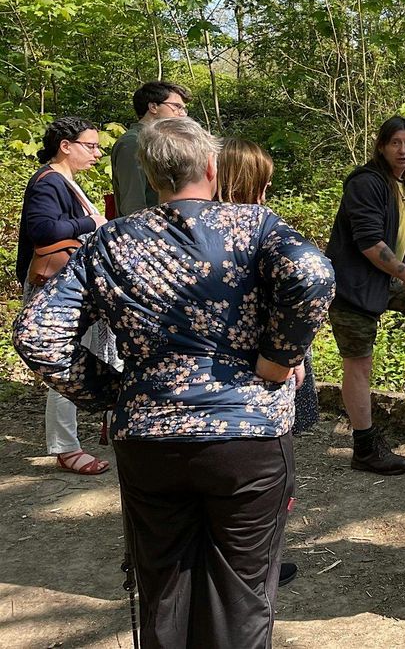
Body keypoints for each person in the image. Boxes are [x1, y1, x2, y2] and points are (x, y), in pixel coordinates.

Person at [13, 117, 334, 649]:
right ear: (212, 167)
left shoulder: (110, 240)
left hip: (149, 439)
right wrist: (279, 359)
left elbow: (38, 336)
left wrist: (114, 393)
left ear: (149, 171)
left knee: (163, 591)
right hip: (247, 438)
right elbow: (315, 274)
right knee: (242, 598)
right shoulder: (254, 226)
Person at [325, 116, 405, 476]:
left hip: (386, 282)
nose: (403, 150)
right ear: (381, 147)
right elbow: (369, 243)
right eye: (395, 143)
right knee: (359, 364)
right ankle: (365, 447)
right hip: (352, 287)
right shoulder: (366, 184)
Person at [216, 137, 312, 589]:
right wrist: (289, 355)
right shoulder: (265, 231)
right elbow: (299, 289)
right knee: (266, 480)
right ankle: (260, 565)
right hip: (262, 375)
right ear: (257, 183)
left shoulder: (187, 230)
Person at [15, 116, 119, 475]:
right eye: (90, 145)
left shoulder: (64, 181)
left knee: (83, 358)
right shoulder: (49, 181)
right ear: (65, 146)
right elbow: (43, 231)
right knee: (68, 364)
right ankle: (65, 448)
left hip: (69, 288)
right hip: (56, 290)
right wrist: (90, 223)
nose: (97, 152)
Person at [109, 80, 192, 216]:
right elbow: (133, 204)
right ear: (153, 107)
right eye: (177, 106)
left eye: (184, 108)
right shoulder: (133, 143)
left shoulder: (161, 141)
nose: (183, 114)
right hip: (145, 233)